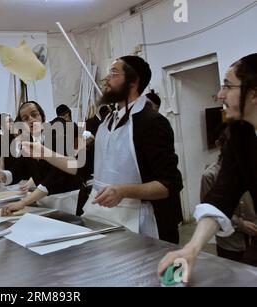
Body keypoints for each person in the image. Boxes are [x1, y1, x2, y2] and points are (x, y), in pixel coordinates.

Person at [22, 56, 183, 244]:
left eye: (114, 73)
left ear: (133, 81)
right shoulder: (106, 123)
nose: (106, 78)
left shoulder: (152, 122)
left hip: (143, 224)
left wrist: (123, 191)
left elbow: (169, 184)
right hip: (105, 220)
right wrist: (43, 152)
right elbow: (79, 166)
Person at [159, 54, 257, 280]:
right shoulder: (241, 135)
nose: (220, 95)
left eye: (228, 86)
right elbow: (222, 196)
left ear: (253, 94)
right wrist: (191, 249)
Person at [0, 101, 81, 215]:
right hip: (45, 199)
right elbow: (17, 172)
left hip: (67, 199)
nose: (31, 120)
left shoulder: (57, 137)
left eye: (34, 115)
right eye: (26, 118)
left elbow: (53, 177)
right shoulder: (27, 143)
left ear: (42, 116)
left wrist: (23, 202)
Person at [200, 124, 256, 263]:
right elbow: (212, 208)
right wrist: (241, 224)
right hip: (231, 241)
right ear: (219, 144)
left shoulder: (250, 166)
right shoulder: (210, 175)